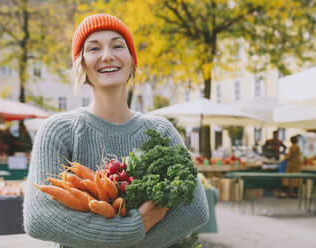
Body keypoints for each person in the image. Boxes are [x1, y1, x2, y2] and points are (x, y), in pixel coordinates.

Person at [23, 14, 209, 248]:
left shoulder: (162, 131)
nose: (107, 55)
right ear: (81, 64)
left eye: (117, 45)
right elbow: (40, 218)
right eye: (93, 48)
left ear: (132, 60)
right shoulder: (58, 131)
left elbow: (195, 210)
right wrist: (132, 228)